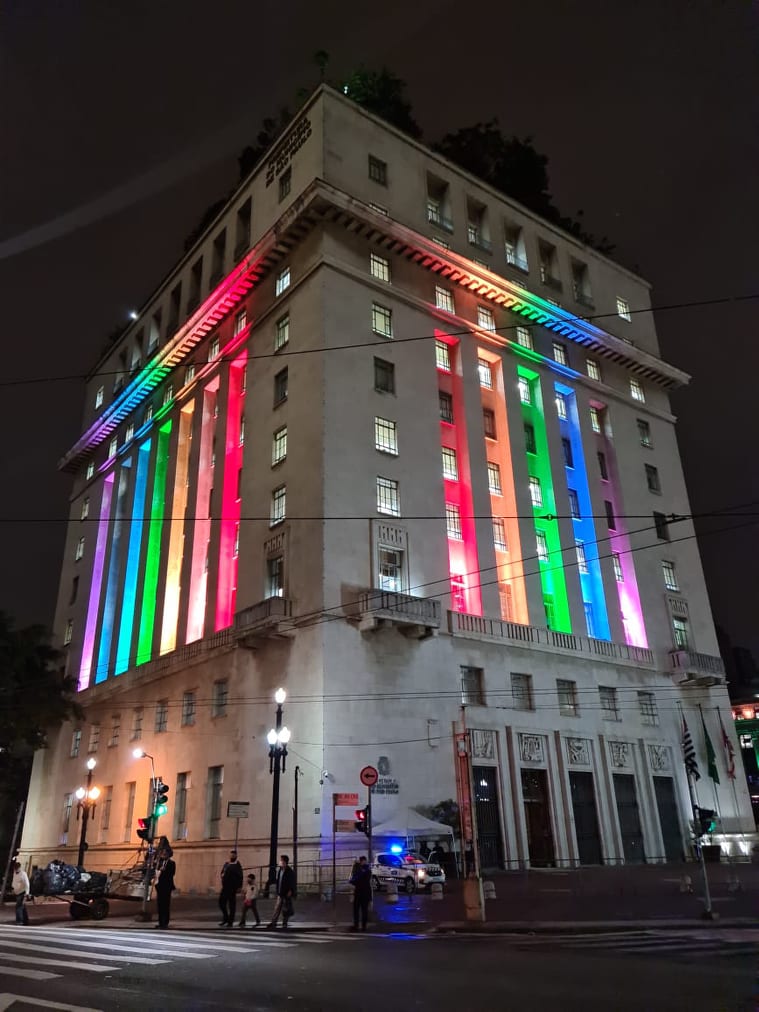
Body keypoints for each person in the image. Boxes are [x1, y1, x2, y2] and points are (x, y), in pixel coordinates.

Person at [266, 854, 295, 930]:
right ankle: (273, 922)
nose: (280, 861)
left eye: (281, 860)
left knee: (285, 909)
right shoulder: (280, 870)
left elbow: (292, 882)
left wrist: (291, 890)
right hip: (280, 893)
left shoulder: (289, 871)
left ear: (285, 862)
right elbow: (279, 881)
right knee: (277, 908)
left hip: (286, 893)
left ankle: (284, 923)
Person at [218, 850, 243, 927]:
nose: (232, 856)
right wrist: (222, 875)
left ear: (236, 856)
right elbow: (222, 872)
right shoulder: (226, 864)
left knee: (232, 905)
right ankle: (226, 918)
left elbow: (240, 877)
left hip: (232, 888)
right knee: (221, 903)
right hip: (225, 887)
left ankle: (230, 921)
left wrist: (239, 886)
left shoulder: (237, 865)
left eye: (233, 855)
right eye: (231, 855)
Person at [154, 845, 176, 929]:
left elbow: (172, 873)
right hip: (160, 886)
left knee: (166, 905)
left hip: (167, 886)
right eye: (163, 853)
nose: (164, 854)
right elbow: (156, 873)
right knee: (160, 905)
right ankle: (160, 922)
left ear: (169, 854)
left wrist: (165, 870)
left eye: (165, 853)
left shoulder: (172, 863)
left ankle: (165, 922)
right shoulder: (159, 863)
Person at [349, 855, 372, 932]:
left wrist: (357, 868)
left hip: (360, 892)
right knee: (362, 910)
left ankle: (358, 926)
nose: (362, 862)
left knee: (359, 910)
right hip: (363, 893)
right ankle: (362, 926)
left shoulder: (364, 870)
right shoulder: (366, 869)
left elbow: (355, 879)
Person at [12, 861, 30, 926]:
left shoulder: (23, 874)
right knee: (22, 907)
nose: (16, 869)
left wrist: (27, 893)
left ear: (19, 867)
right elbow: (14, 881)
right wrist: (13, 888)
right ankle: (26, 921)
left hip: (22, 892)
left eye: (17, 868)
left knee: (18, 907)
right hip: (17, 893)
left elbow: (27, 884)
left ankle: (19, 921)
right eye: (15, 868)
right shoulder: (14, 873)